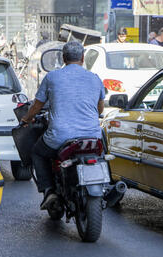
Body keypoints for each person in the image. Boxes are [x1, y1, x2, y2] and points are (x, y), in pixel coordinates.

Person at [21, 41, 105, 209]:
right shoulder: (95, 79)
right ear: (82, 58)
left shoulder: (52, 77)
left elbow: (37, 106)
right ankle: (106, 185)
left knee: (37, 152)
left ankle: (49, 190)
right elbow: (100, 108)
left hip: (61, 136)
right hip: (92, 136)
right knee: (102, 155)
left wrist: (26, 119)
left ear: (63, 58)